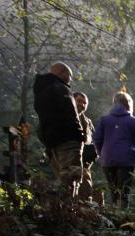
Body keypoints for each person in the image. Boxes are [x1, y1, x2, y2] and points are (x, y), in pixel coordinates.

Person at [33, 62, 84, 201]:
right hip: (68, 138)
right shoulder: (61, 89)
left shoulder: (41, 90)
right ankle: (69, 209)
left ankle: (61, 208)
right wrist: (79, 134)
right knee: (71, 176)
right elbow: (70, 114)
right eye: (69, 76)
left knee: (63, 175)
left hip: (52, 140)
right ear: (63, 73)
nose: (70, 80)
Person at [93, 92, 135, 210]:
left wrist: (101, 153)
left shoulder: (104, 120)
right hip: (126, 159)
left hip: (107, 159)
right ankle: (123, 216)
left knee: (113, 190)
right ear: (128, 104)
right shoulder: (133, 121)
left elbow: (96, 139)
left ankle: (114, 214)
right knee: (124, 191)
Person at [73, 92, 96, 202]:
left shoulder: (88, 122)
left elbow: (95, 141)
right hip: (68, 161)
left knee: (86, 190)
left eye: (84, 103)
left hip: (85, 164)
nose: (82, 105)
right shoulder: (63, 117)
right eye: (79, 101)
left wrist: (94, 154)